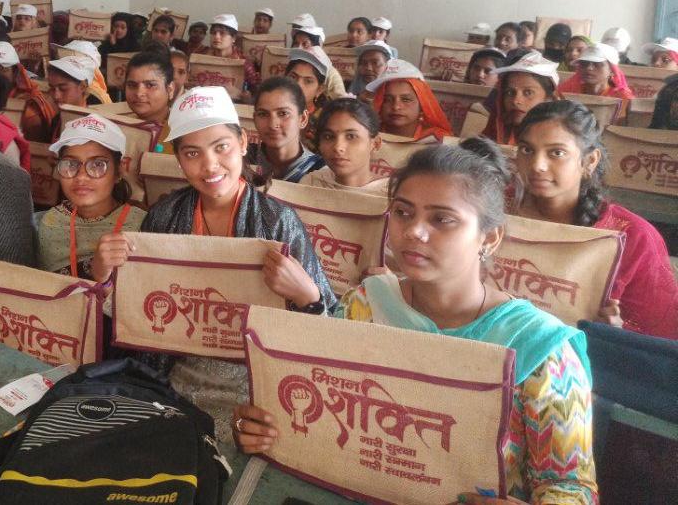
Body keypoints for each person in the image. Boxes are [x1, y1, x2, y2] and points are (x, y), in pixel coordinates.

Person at [234, 138, 599, 505]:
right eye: (403, 212)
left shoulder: (541, 350)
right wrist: (263, 429)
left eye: (442, 219)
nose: (414, 231)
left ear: (489, 238)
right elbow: (326, 415)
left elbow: (571, 487)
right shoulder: (366, 305)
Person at [94, 86, 335, 445]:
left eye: (221, 147)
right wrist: (104, 278)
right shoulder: (164, 216)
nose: (209, 166)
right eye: (192, 153)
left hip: (252, 389)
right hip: (170, 378)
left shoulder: (278, 222)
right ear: (179, 159)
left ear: (243, 142)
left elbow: (328, 333)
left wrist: (308, 297)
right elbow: (136, 316)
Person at [515, 100, 678, 339]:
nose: (537, 165)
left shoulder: (633, 237)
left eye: (557, 153)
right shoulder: (492, 214)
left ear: (590, 161)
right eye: (526, 150)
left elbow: (660, 339)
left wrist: (617, 333)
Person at [38, 114, 146, 277]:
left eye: (97, 164)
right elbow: (44, 287)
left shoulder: (142, 226)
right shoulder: (51, 223)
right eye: (70, 164)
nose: (81, 177)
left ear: (119, 171)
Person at [303, 97, 388, 195]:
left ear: (375, 144)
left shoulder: (389, 194)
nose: (338, 147)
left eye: (351, 136)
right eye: (328, 136)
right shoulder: (312, 183)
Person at [247, 77, 323, 183]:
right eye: (263, 114)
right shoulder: (242, 160)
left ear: (303, 119)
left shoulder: (321, 174)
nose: (273, 125)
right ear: (254, 119)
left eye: (283, 113)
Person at [480, 51, 561, 145]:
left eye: (528, 93)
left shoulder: (560, 142)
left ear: (550, 99)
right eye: (510, 92)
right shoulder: (491, 135)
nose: (515, 101)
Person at [368, 59, 453, 141]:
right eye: (387, 100)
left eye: (406, 99)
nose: (396, 107)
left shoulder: (437, 140)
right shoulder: (367, 134)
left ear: (422, 105)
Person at [285, 47, 346, 151]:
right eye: (293, 77)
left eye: (308, 81)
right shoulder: (270, 109)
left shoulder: (326, 122)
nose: (298, 85)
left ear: (319, 90)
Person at [123, 48, 178, 151]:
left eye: (150, 85)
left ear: (170, 89)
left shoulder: (184, 133)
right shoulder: (118, 128)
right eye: (132, 85)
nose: (139, 93)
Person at [557, 44, 635, 115]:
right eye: (584, 64)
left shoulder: (622, 98)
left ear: (611, 70)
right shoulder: (568, 92)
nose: (589, 68)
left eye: (597, 64)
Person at [193, 14, 259, 95]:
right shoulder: (200, 56)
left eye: (222, 33)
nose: (217, 37)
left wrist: (248, 97)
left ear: (233, 38)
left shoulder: (243, 63)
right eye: (213, 33)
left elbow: (255, 90)